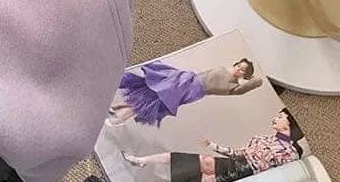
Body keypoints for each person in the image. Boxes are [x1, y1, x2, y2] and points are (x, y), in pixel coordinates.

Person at [122, 109, 304, 182]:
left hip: (246, 178)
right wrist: (212, 145)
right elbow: (237, 153)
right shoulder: (261, 138)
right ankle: (142, 160)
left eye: (280, 117)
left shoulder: (292, 153)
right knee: (187, 160)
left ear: (288, 124)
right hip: (234, 165)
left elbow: (276, 178)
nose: (275, 118)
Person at [107, 57, 262, 127]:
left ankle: (119, 118)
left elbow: (251, 85)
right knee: (153, 91)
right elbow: (204, 74)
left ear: (245, 75)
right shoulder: (223, 69)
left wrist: (255, 80)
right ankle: (117, 109)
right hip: (186, 79)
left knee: (157, 100)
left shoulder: (233, 87)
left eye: (242, 70)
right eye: (238, 66)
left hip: (194, 91)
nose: (238, 70)